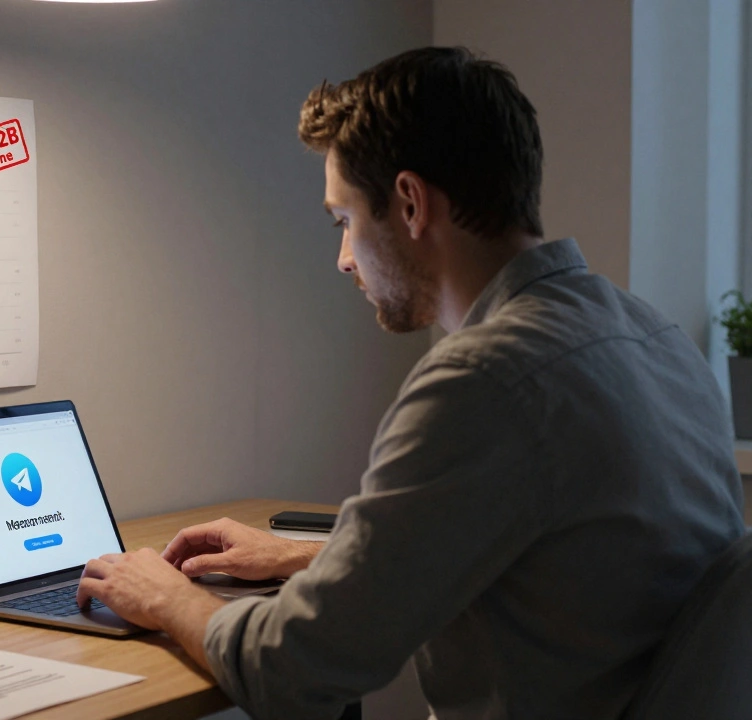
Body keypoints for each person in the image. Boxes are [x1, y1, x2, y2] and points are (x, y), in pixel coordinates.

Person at [75, 46, 746, 719]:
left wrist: (164, 596)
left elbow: (294, 669)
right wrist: (305, 557)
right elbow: (545, 574)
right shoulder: (649, 338)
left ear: (410, 203)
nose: (343, 260)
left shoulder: (484, 381)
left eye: (345, 221)